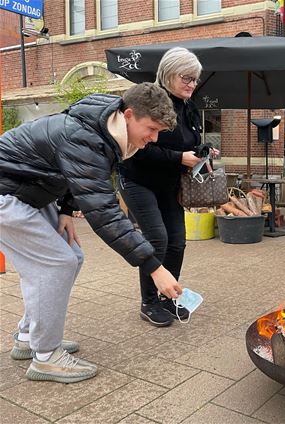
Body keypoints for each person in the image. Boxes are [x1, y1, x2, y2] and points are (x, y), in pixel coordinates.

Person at [0, 82, 182, 383]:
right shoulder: (85, 137)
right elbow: (105, 214)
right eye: (150, 128)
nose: (153, 138)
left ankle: (28, 336)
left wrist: (67, 210)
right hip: (8, 196)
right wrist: (154, 267)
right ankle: (45, 357)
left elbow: (74, 174)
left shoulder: (104, 129)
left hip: (29, 192)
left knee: (73, 254)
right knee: (57, 263)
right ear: (128, 114)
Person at [119, 47, 218, 327]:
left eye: (195, 79)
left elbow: (185, 145)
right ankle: (149, 302)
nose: (191, 84)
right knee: (157, 239)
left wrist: (201, 151)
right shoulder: (150, 100)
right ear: (168, 74)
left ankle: (168, 297)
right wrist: (179, 157)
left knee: (177, 241)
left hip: (169, 183)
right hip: (138, 179)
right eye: (186, 77)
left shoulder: (189, 107)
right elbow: (137, 148)